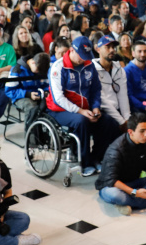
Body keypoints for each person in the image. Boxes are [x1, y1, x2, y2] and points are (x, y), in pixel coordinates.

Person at [46, 36, 115, 177]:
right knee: (81, 121)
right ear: (71, 50)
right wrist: (81, 111)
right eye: (80, 56)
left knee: (108, 122)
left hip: (86, 108)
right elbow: (58, 98)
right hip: (60, 110)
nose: (82, 59)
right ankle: (85, 162)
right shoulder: (58, 67)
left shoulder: (89, 65)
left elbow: (96, 89)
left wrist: (95, 107)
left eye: (86, 56)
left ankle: (96, 157)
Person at [95, 113, 146, 215]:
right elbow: (112, 180)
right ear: (131, 132)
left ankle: (126, 203)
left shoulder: (145, 142)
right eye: (142, 131)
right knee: (115, 195)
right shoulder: (116, 149)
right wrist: (135, 193)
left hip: (134, 182)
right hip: (113, 186)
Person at [125, 40, 146, 112]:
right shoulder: (127, 71)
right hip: (136, 106)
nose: (143, 54)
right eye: (139, 51)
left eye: (145, 51)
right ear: (133, 53)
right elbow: (129, 95)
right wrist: (144, 107)